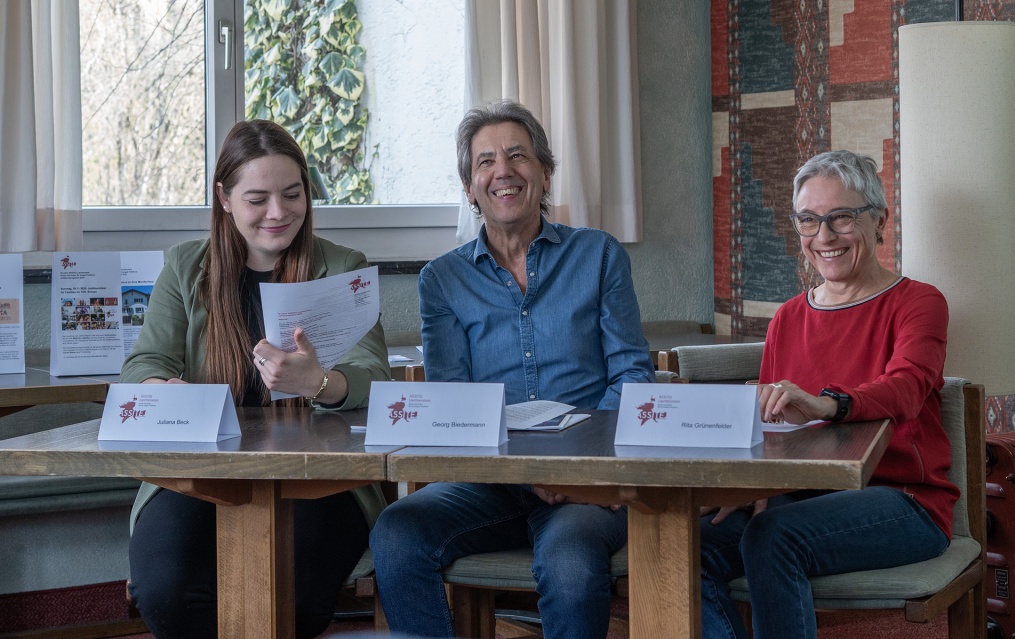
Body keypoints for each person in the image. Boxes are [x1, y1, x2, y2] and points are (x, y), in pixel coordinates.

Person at [369, 100, 655, 639]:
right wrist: (524, 472)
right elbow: (451, 402)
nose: (503, 170)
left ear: (544, 172)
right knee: (397, 531)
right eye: (486, 161)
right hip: (490, 482)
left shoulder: (598, 255)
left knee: (570, 563)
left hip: (587, 481)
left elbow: (632, 377)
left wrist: (575, 468)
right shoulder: (442, 280)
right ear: (469, 188)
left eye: (518, 156)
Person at [121, 119, 390, 639]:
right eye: (257, 199)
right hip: (203, 471)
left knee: (294, 595)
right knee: (165, 592)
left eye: (292, 194)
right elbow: (142, 366)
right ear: (224, 198)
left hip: (319, 476)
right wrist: (163, 389)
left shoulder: (342, 267)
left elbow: (374, 378)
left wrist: (319, 383)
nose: (278, 212)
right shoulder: (185, 267)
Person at [700, 150, 958, 638]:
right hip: (797, 495)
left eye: (841, 217)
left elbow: (906, 389)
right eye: (808, 220)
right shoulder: (787, 317)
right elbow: (770, 425)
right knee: (685, 546)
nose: (823, 236)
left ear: (879, 220)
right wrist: (748, 486)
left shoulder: (919, 302)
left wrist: (829, 404)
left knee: (773, 536)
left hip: (903, 502)